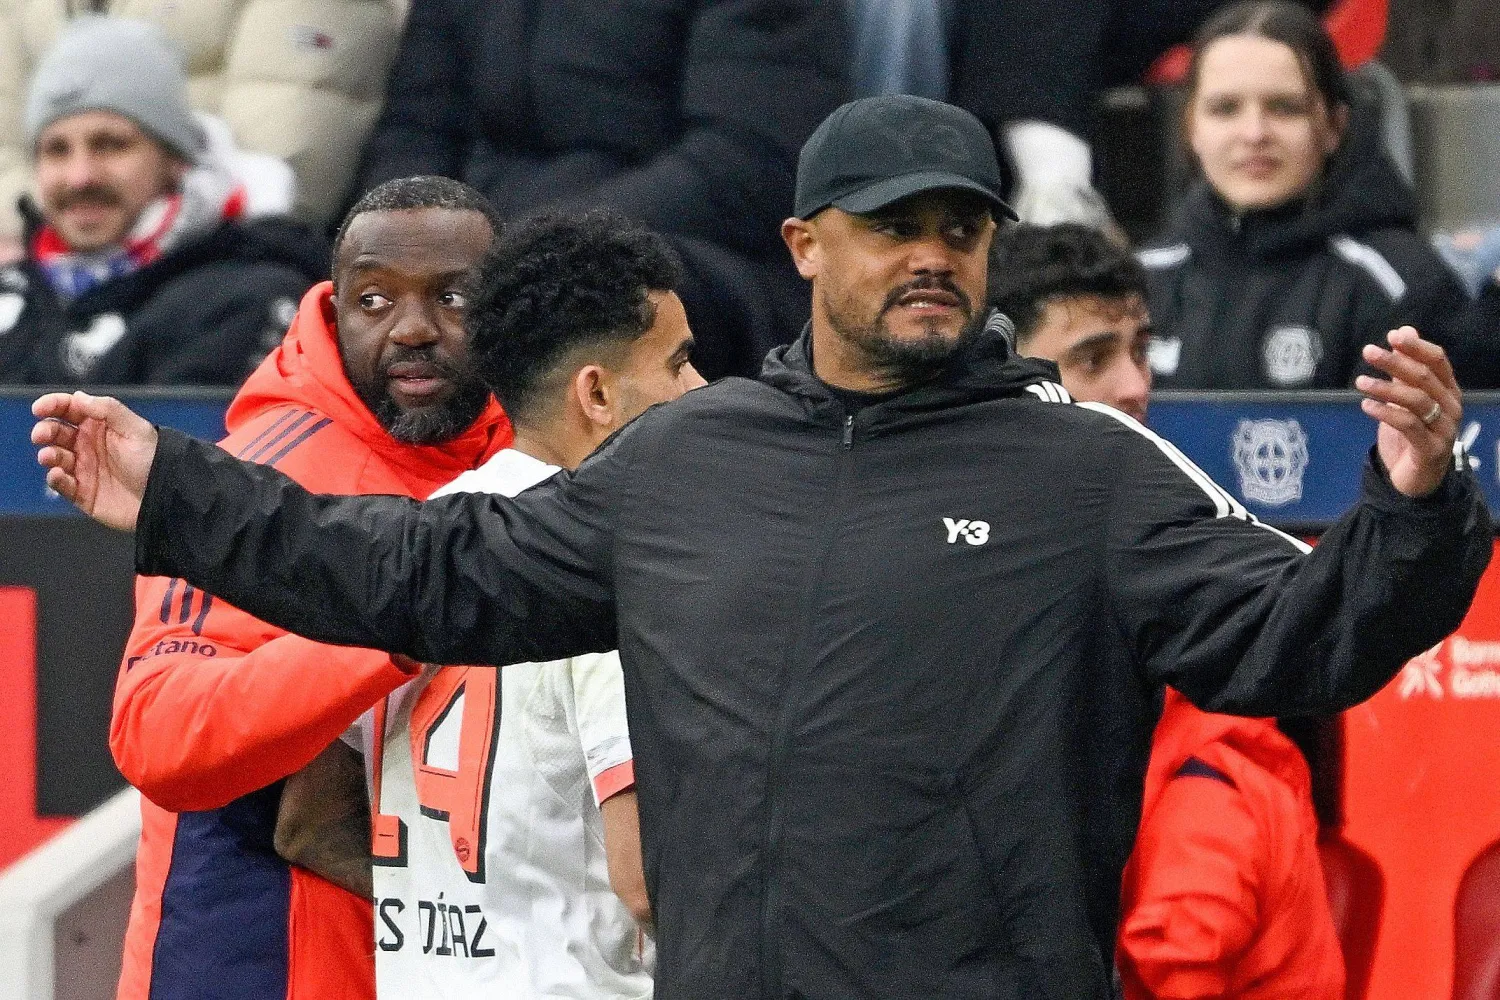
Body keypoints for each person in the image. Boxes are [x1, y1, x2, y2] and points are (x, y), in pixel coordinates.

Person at [32, 94, 1491, 1000]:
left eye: (962, 227)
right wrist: (178, 495)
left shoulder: (1089, 467)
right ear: (804, 246)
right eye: (894, 225)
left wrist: (1415, 506)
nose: (933, 254)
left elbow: (1302, 636)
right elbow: (423, 570)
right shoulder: (685, 459)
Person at [108, 175, 512, 1000]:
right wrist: (393, 622)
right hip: (257, 966)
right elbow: (157, 731)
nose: (412, 329)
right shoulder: (256, 475)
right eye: (374, 300)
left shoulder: (538, 464)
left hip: (462, 965)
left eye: (454, 299)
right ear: (333, 312)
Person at [326, 211, 703, 995]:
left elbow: (305, 819)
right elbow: (648, 879)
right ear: (596, 394)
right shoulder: (613, 568)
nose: (700, 390)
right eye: (678, 363)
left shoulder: (410, 546)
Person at [996, 223, 1343, 998]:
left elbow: (1180, 942)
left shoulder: (1175, 546)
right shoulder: (946, 555)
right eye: (1094, 358)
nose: (1134, 385)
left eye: (1141, 350)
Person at [347, 0, 846, 381]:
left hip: (683, 258)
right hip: (485, 250)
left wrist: (526, 253)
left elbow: (748, 162)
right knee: (325, 289)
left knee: (581, 310)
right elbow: (415, 132)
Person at [1138, 0, 1471, 391]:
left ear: (1334, 126)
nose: (1254, 133)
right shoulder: (1139, 284)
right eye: (1225, 109)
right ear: (1191, 127)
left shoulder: (1402, 286)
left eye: (1285, 108)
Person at [0, 17, 326, 386]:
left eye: (111, 145)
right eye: (57, 150)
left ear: (175, 159)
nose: (80, 177)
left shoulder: (246, 297)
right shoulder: (17, 293)